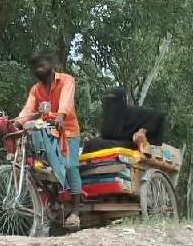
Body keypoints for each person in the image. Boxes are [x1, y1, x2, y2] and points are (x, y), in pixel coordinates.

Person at [16, 50, 83, 230]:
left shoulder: (66, 80)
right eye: (36, 67)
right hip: (45, 132)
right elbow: (28, 111)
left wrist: (61, 115)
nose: (39, 70)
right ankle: (53, 202)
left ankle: (76, 212)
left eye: (42, 65)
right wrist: (16, 122)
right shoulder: (35, 90)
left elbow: (66, 101)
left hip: (67, 131)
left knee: (70, 166)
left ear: (51, 66)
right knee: (40, 168)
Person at [86, 86, 165, 152]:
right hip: (114, 143)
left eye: (113, 100)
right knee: (90, 143)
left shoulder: (131, 111)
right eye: (107, 100)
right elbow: (107, 135)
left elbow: (158, 115)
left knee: (93, 144)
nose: (110, 104)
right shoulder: (108, 116)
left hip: (130, 145)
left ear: (121, 100)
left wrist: (142, 131)